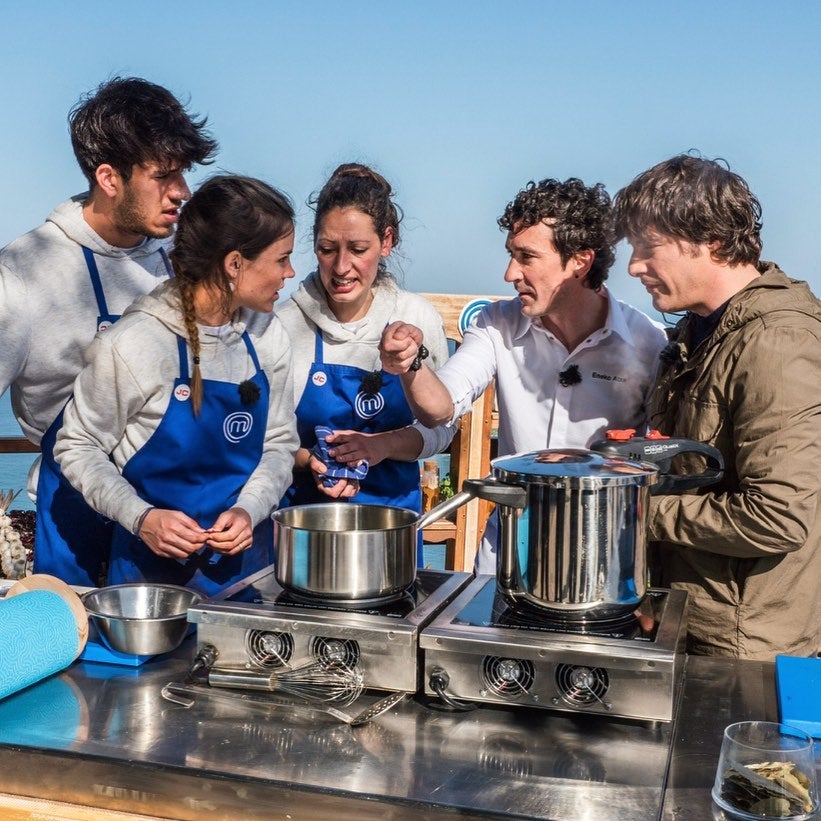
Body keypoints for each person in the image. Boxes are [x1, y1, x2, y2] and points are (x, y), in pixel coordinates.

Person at [380, 177, 668, 573]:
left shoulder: (650, 343)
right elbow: (440, 408)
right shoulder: (496, 323)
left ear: (580, 262)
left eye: (526, 256)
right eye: (510, 255)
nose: (509, 273)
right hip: (506, 560)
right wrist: (411, 364)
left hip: (602, 565)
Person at [0, 76, 218, 586]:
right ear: (108, 177)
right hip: (80, 523)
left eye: (182, 174)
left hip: (188, 517)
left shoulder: (182, 256)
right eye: (164, 175)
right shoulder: (23, 274)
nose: (183, 192)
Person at [613, 154, 821, 660]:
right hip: (686, 619)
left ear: (712, 241)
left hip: (743, 648)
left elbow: (779, 516)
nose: (634, 265)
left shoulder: (779, 341)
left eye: (648, 246)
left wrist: (638, 512)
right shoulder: (695, 332)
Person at [54, 175, 299, 597]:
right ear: (235, 263)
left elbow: (279, 443)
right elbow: (77, 446)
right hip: (146, 584)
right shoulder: (133, 343)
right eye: (281, 259)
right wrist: (141, 517)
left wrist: (249, 509)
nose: (290, 273)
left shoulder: (267, 335)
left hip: (248, 573)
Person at [276, 163, 452, 562]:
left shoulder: (416, 317)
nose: (341, 268)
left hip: (392, 533)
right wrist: (310, 461)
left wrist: (382, 446)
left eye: (358, 250)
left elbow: (442, 429)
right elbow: (267, 439)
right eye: (326, 249)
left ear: (386, 242)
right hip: (303, 534)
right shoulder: (285, 325)